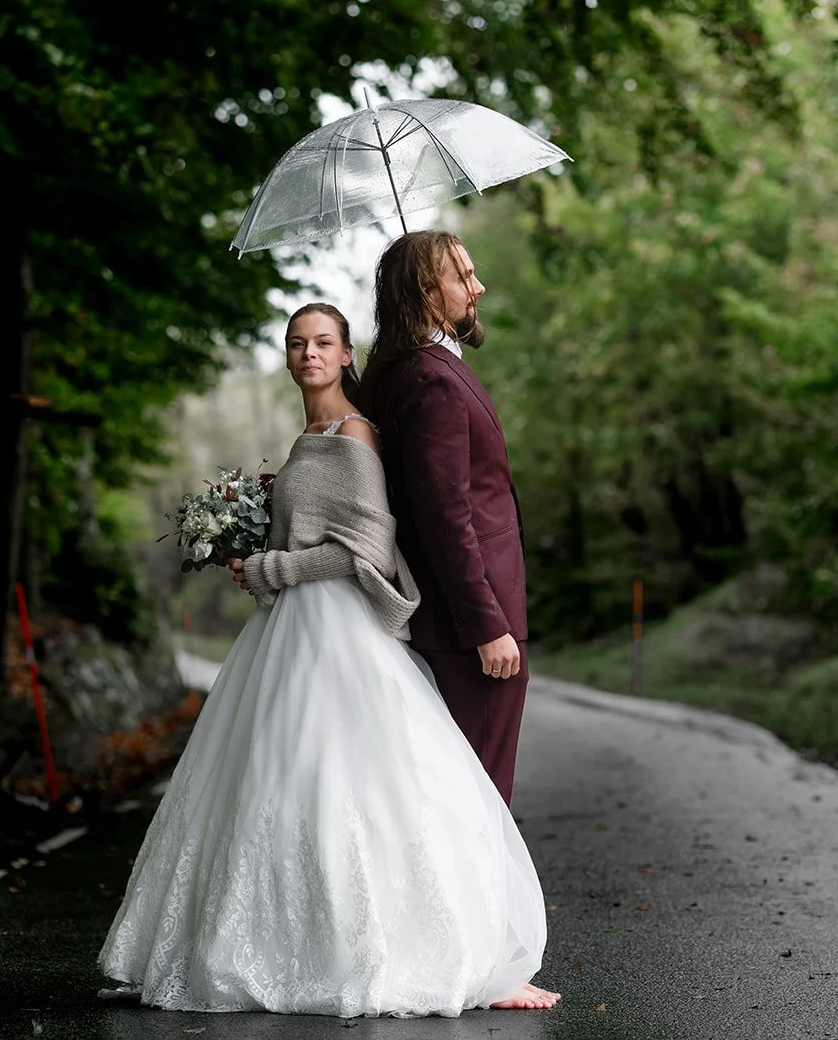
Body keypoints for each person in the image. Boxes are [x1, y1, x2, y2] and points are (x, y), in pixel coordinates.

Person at [98, 302, 557, 1016]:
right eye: (296, 343)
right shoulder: (308, 437)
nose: (308, 353)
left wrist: (273, 567)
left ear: (347, 355)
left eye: (322, 342)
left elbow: (365, 549)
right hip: (288, 630)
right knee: (273, 784)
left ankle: (403, 949)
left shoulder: (355, 433)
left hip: (338, 628)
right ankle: (279, 946)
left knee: (347, 782)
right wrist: (247, 548)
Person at [357, 231, 530, 807]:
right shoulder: (430, 379)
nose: (479, 288)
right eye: (464, 277)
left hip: (452, 617)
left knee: (460, 789)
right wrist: (486, 626)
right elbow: (445, 516)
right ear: (428, 293)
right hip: (469, 624)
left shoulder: (396, 371)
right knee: (482, 795)